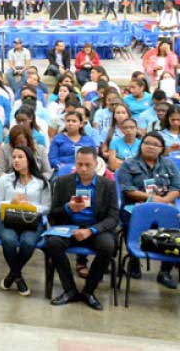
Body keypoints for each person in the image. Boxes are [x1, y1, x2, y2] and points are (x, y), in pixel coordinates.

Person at [45, 147, 119, 310]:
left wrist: (91, 230)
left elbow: (113, 217)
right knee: (53, 243)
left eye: (88, 165)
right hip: (69, 227)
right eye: (79, 164)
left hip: (95, 228)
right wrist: (67, 208)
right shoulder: (64, 182)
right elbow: (53, 214)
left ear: (96, 164)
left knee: (108, 246)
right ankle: (69, 290)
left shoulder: (107, 185)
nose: (83, 169)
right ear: (75, 164)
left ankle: (89, 291)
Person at [118, 132, 180, 289]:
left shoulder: (169, 165)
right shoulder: (129, 164)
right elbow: (128, 190)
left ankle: (165, 271)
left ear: (162, 149)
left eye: (155, 144)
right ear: (141, 145)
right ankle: (134, 261)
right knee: (127, 218)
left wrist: (164, 201)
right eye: (147, 143)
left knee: (173, 225)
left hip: (164, 207)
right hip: (135, 206)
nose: (151, 147)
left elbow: (176, 187)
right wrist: (151, 200)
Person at [0, 145, 51, 297]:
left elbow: (47, 207)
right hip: (7, 219)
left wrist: (31, 207)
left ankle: (12, 275)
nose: (16, 160)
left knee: (28, 242)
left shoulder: (41, 182)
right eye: (14, 157)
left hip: (31, 220)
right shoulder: (5, 179)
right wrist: (11, 203)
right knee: (9, 240)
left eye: (20, 157)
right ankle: (18, 277)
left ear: (29, 159)